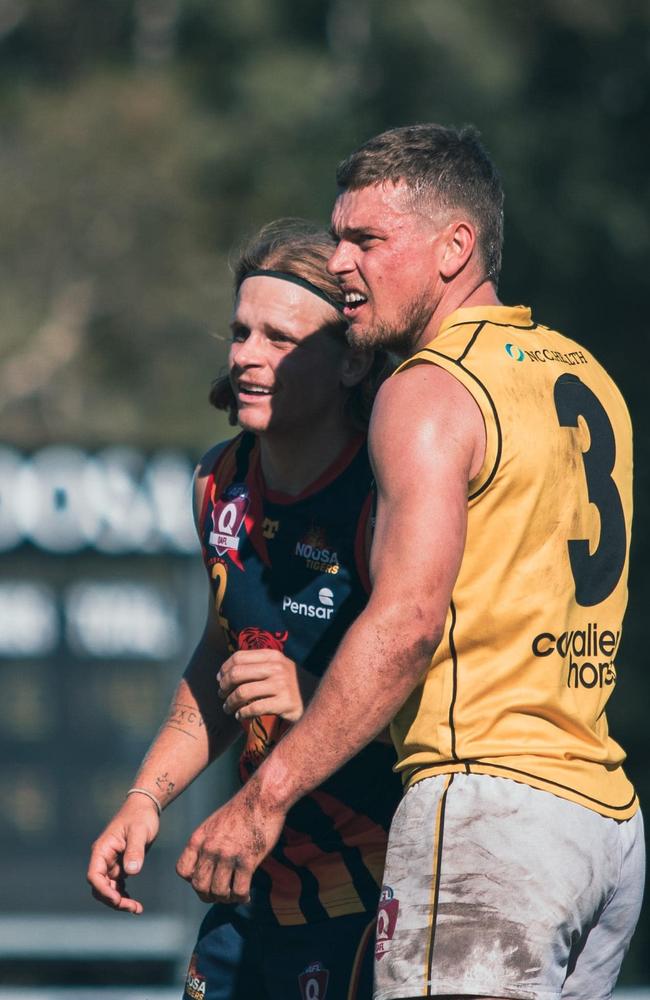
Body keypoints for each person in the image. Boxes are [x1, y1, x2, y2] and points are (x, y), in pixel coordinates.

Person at [175, 125, 645, 1000]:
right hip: (604, 822)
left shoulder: (427, 388)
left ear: (454, 247)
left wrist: (264, 795)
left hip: (485, 814)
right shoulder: (584, 373)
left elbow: (406, 624)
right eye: (338, 235)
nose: (342, 262)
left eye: (368, 241)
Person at [86, 218, 402, 1000]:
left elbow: (437, 671)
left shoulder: (389, 491)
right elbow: (216, 659)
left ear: (351, 361)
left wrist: (315, 693)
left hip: (370, 899)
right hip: (250, 880)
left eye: (280, 339)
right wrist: (144, 796)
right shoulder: (217, 482)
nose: (246, 356)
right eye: (239, 332)